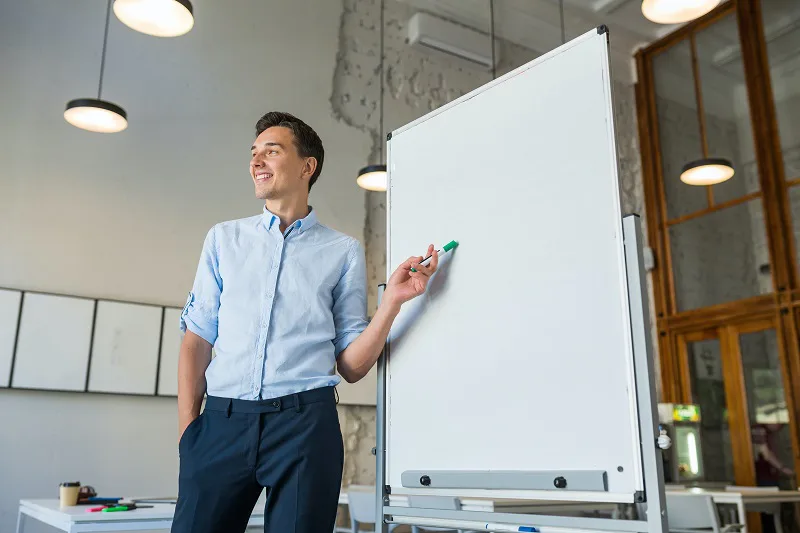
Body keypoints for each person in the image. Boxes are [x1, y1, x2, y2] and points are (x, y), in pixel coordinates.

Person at [171, 111, 438, 533]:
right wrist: (190, 433)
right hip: (220, 426)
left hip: (304, 428)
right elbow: (197, 339)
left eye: (271, 151)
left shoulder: (342, 251)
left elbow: (351, 366)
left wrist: (390, 303)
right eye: (254, 153)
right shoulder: (224, 239)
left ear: (307, 166)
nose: (257, 161)